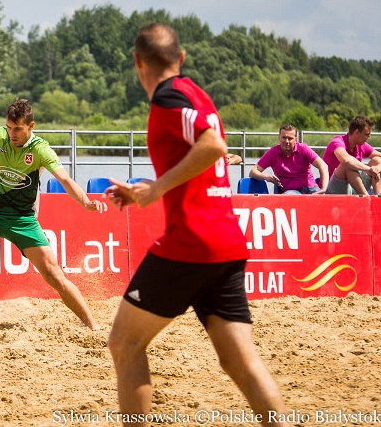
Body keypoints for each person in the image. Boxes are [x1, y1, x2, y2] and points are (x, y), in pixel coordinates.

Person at [105, 24, 289, 427]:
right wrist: (149, 190)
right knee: (240, 362)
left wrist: (155, 189)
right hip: (225, 240)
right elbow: (200, 160)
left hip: (191, 242)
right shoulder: (196, 93)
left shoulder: (168, 97)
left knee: (124, 343)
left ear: (137, 62)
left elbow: (213, 146)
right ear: (181, 58)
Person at [0, 98, 107, 329]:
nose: (12, 133)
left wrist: (86, 202)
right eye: (9, 127)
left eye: (17, 129)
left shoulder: (40, 148)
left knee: (55, 276)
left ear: (31, 126)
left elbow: (65, 180)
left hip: (23, 220)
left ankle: (92, 325)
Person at [249, 124, 328, 194]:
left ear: (295, 139)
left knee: (320, 200)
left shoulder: (303, 149)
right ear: (279, 138)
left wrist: (323, 188)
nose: (286, 141)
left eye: (290, 138)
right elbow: (253, 172)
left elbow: (323, 165)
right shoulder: (272, 152)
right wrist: (266, 177)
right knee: (289, 197)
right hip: (291, 191)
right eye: (284, 137)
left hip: (310, 188)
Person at [323, 115, 381, 195]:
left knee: (377, 160)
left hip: (353, 186)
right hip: (333, 189)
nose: (369, 137)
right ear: (357, 132)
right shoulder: (337, 142)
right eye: (367, 134)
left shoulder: (362, 145)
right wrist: (369, 169)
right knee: (347, 165)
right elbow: (346, 160)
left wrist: (377, 169)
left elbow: (379, 157)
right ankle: (367, 200)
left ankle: (378, 198)